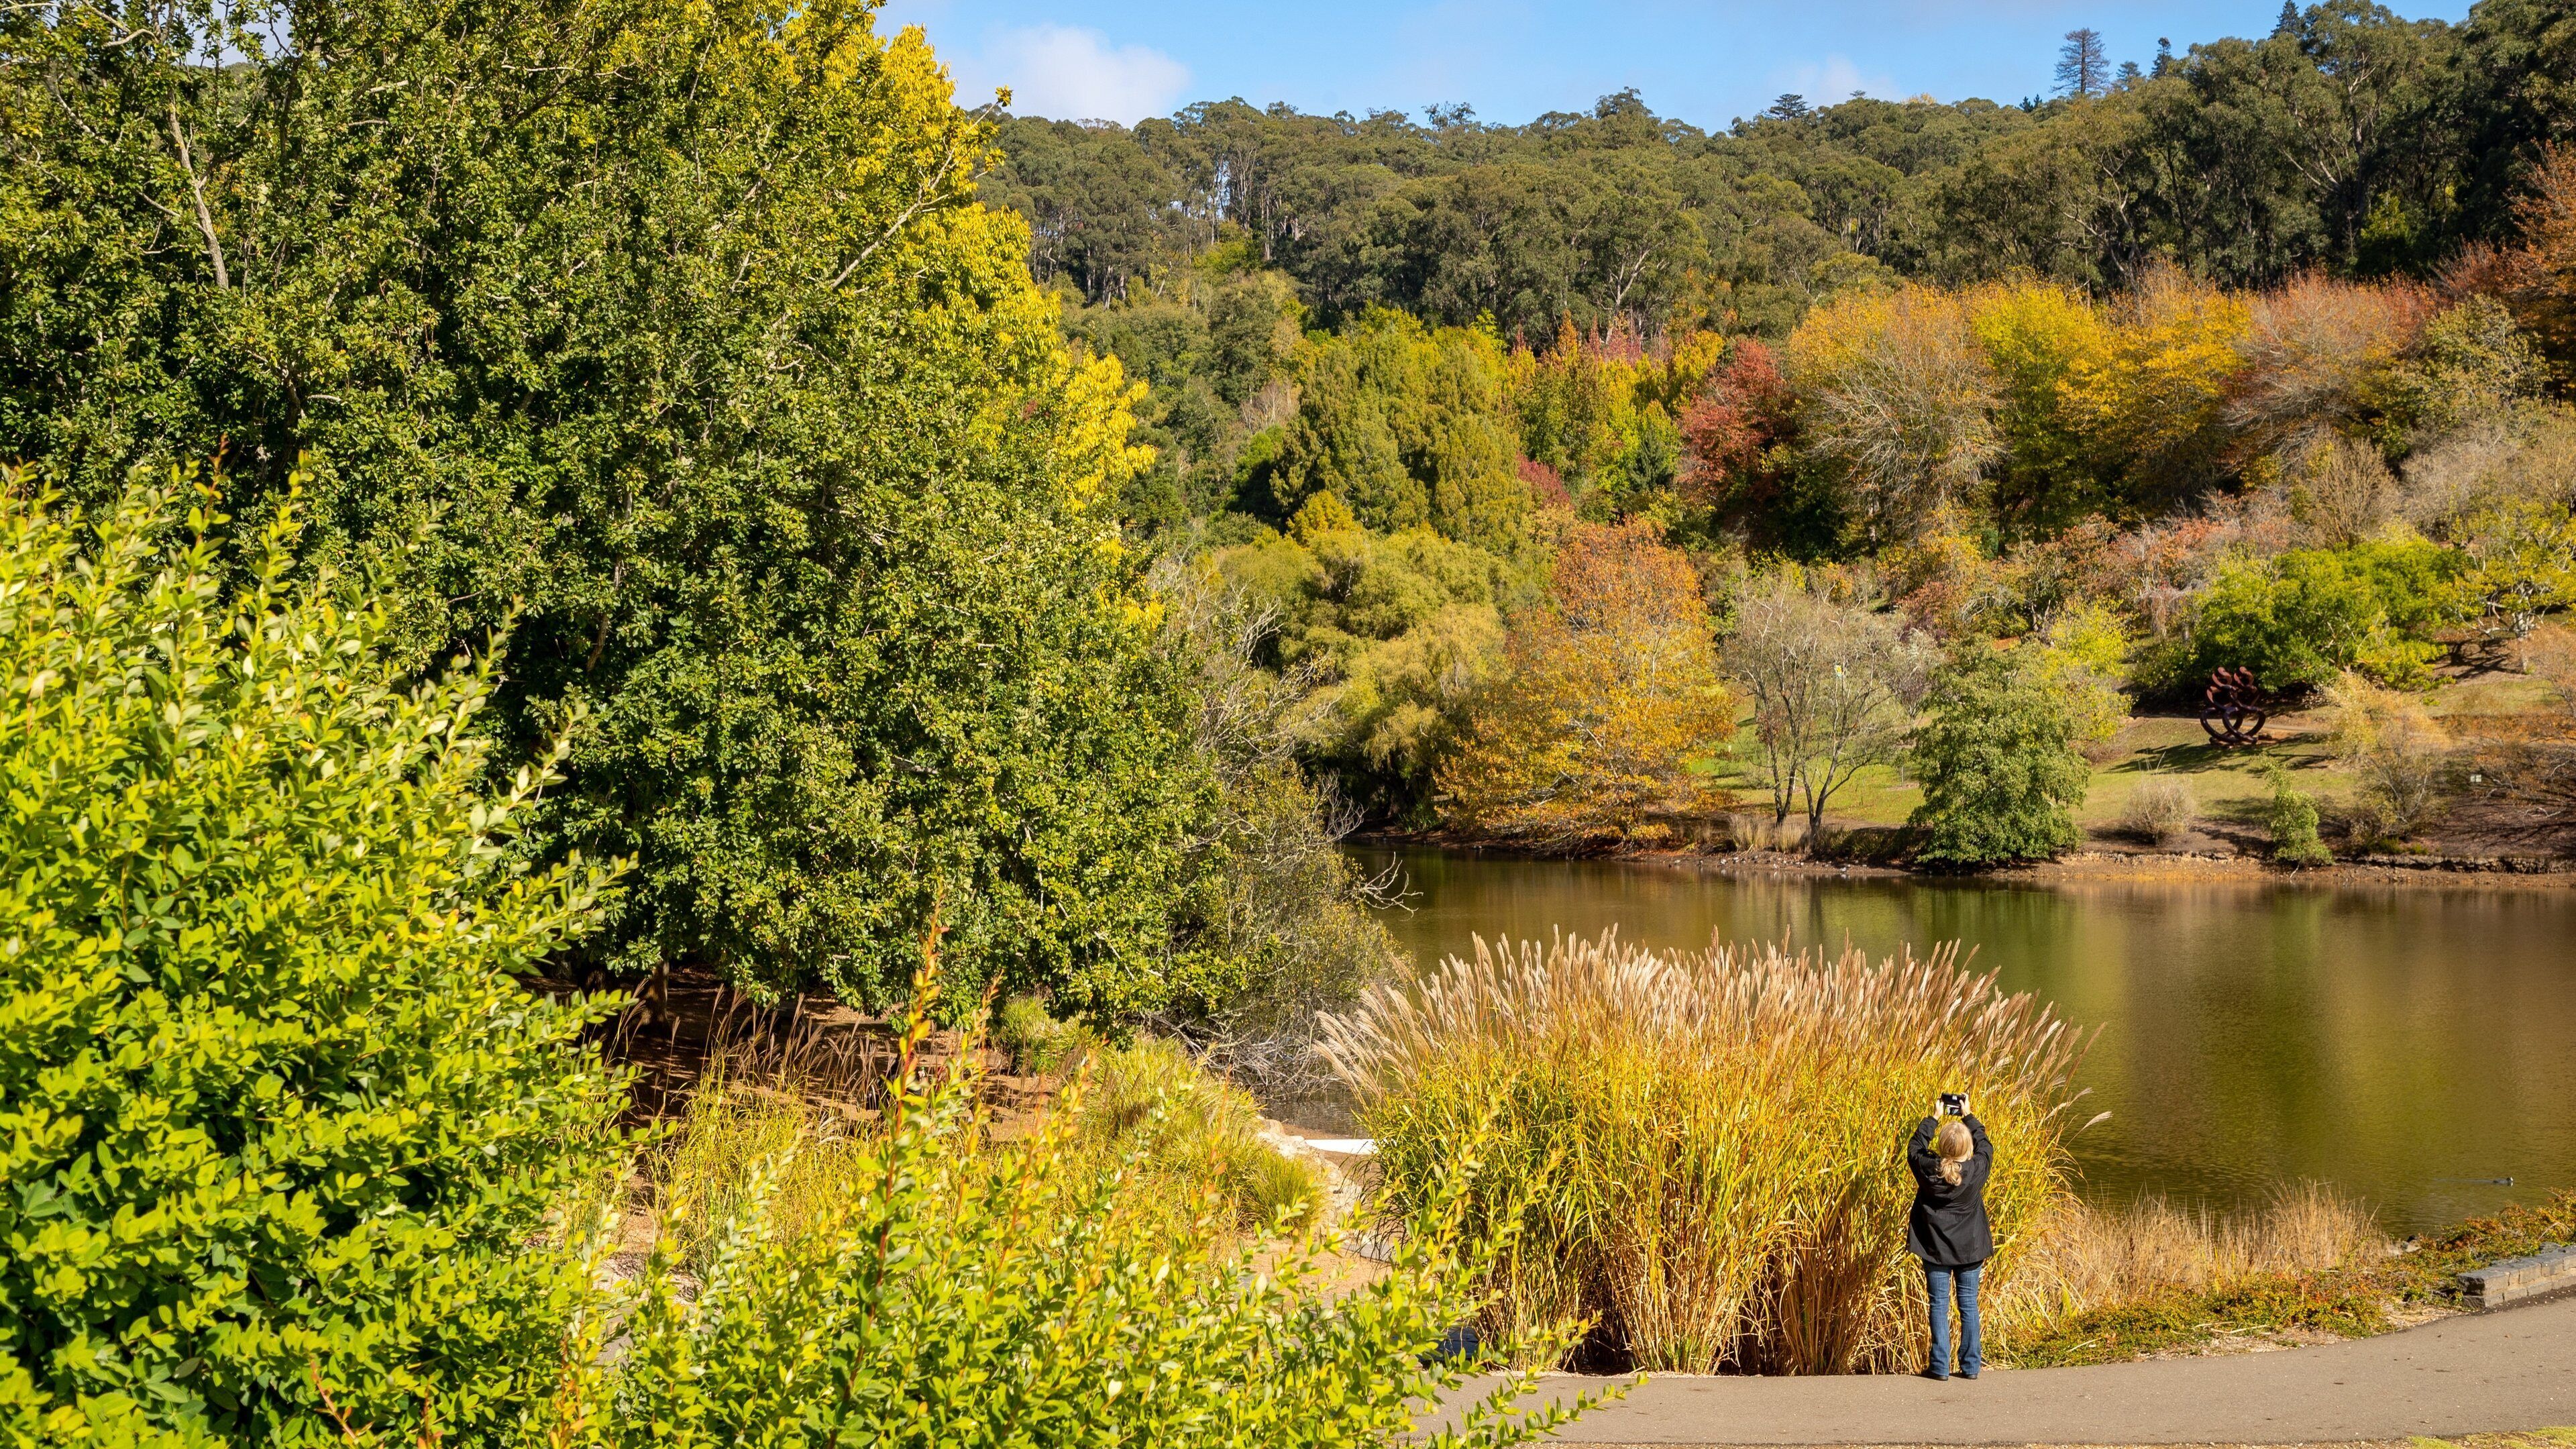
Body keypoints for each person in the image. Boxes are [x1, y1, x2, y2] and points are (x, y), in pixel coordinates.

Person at [1906, 1099, 1993, 1381]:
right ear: (1968, 1149)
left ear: (1942, 1147)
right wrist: (1968, 1116)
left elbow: (1914, 1148)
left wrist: (1934, 1117)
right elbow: (1986, 1147)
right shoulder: (1976, 1169)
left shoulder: (1927, 1168)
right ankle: (1971, 1366)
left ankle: (1940, 1366)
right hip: (1970, 1249)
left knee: (1939, 1304)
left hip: (1935, 1249)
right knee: (1968, 1304)